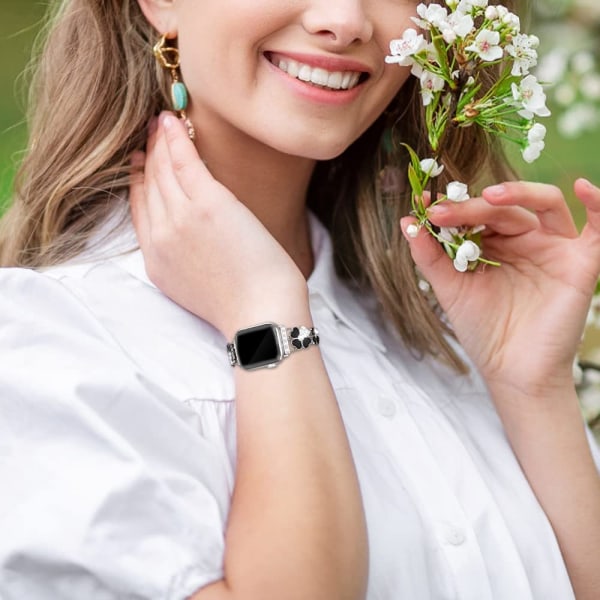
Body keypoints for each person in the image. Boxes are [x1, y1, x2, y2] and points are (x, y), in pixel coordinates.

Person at [0, 0, 599, 598]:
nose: (344, 20)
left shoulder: (436, 324)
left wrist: (531, 389)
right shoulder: (49, 350)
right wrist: (264, 320)